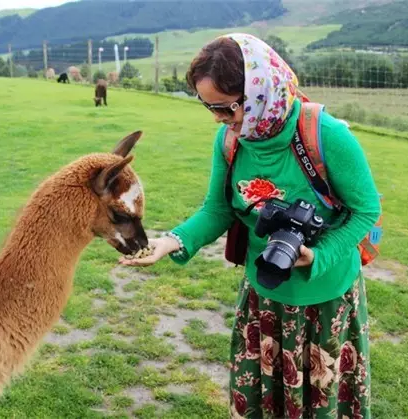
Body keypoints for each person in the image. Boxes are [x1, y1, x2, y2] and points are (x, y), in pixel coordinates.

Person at [120, 33, 381, 418]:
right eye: (207, 106)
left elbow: (365, 211)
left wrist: (319, 254)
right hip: (264, 297)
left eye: (226, 108)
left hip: (325, 300)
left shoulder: (327, 135)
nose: (218, 119)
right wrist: (172, 241)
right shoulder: (230, 141)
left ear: (260, 92)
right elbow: (218, 209)